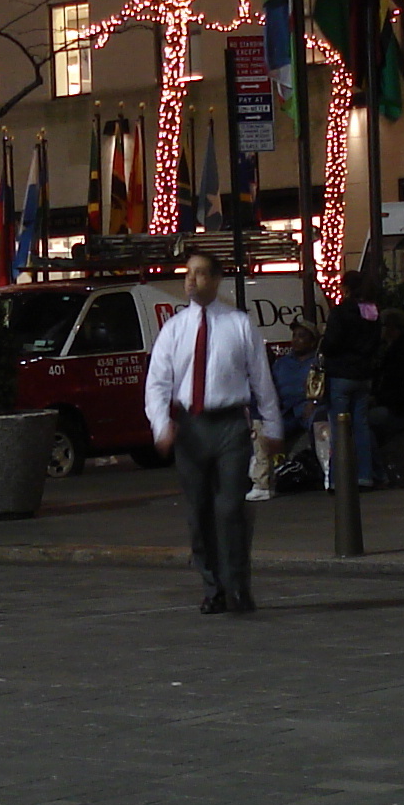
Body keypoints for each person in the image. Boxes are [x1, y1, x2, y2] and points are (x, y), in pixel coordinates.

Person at [144, 251, 284, 615]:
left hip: (229, 426)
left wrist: (272, 424)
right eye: (188, 273)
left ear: (217, 279)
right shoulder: (174, 329)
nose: (192, 280)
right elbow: (157, 382)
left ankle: (238, 586)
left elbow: (261, 378)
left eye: (201, 273)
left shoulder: (239, 324)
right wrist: (162, 425)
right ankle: (213, 587)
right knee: (199, 511)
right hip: (191, 427)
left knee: (230, 508)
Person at [319, 270, 384, 492]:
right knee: (361, 426)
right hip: (363, 375)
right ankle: (365, 476)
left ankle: (339, 479)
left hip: (341, 375)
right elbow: (376, 343)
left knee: (339, 428)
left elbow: (331, 343)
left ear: (345, 287)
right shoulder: (372, 311)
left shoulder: (341, 312)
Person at [251, 319, 320, 502]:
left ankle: (324, 470)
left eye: (302, 336)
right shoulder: (282, 364)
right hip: (285, 410)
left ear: (312, 342)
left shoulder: (317, 362)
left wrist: (313, 401)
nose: (296, 340)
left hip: (306, 407)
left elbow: (321, 386)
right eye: (295, 336)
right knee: (261, 427)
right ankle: (260, 479)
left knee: (319, 421)